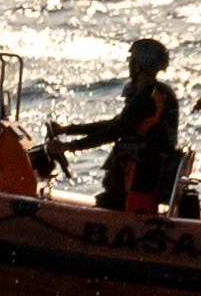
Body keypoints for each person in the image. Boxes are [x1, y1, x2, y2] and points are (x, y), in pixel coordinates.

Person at [47, 38, 187, 216]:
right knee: (111, 200)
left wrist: (69, 146)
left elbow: (115, 131)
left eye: (132, 60)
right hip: (147, 167)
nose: (130, 64)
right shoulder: (157, 93)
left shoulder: (148, 98)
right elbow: (116, 123)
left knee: (126, 207)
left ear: (138, 64)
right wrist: (67, 130)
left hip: (143, 169)